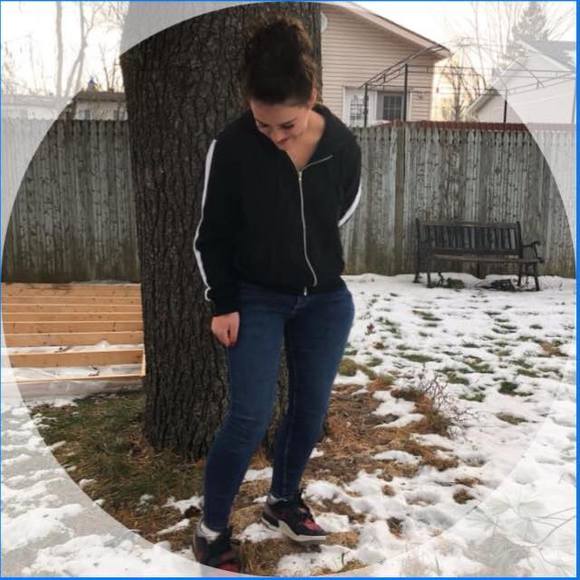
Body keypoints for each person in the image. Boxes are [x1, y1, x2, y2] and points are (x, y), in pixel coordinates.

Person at [193, 16, 362, 573]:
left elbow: (340, 210)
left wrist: (302, 249)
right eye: (263, 124)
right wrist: (223, 302)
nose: (275, 136)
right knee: (249, 415)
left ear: (312, 96)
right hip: (255, 299)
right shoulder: (232, 146)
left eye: (286, 125)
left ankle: (283, 501)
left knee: (310, 411)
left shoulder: (342, 144)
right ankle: (211, 530)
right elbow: (211, 234)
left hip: (325, 300)